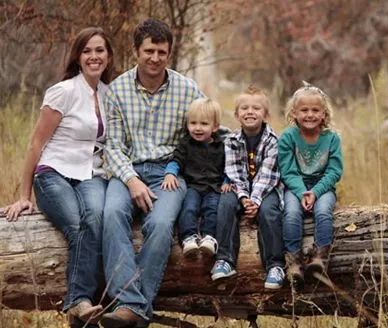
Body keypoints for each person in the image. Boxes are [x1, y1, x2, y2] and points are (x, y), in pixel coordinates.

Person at [4, 27, 114, 327]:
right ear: (78, 57)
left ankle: (86, 312)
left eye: (100, 50)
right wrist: (24, 196)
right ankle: (78, 301)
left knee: (96, 218)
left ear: (108, 56)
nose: (94, 56)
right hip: (53, 173)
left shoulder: (109, 94)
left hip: (91, 174)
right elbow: (36, 144)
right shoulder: (63, 91)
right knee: (77, 225)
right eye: (87, 51)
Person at [100, 18, 203, 328]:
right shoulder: (117, 90)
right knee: (112, 213)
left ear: (169, 54)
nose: (155, 58)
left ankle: (130, 308)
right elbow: (112, 146)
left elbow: (204, 131)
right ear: (136, 51)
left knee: (159, 224)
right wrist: (131, 181)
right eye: (149, 51)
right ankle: (137, 306)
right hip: (126, 170)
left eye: (162, 52)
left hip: (169, 173)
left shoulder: (187, 90)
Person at [210, 86, 286, 290]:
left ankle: (275, 265)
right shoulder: (231, 141)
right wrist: (244, 198)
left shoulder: (273, 141)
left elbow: (269, 174)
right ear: (236, 114)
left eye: (256, 108)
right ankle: (225, 259)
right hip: (240, 186)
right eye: (244, 108)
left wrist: (256, 200)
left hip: (267, 187)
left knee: (270, 211)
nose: (250, 112)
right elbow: (234, 172)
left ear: (265, 114)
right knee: (225, 202)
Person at [278, 81, 343, 290]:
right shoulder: (288, 137)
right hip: (295, 186)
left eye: (315, 110)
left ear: (324, 114)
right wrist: (301, 192)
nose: (310, 115)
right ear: (294, 113)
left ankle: (319, 258)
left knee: (324, 211)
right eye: (304, 110)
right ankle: (293, 262)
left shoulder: (331, 139)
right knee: (290, 213)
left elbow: (334, 171)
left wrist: (315, 192)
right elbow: (287, 171)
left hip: (322, 188)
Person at [162, 97, 231, 258]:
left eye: (204, 124)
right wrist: (170, 173)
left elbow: (229, 166)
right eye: (193, 123)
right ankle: (188, 237)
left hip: (214, 187)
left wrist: (227, 181)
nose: (197, 128)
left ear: (215, 127)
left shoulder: (222, 146)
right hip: (192, 186)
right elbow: (176, 159)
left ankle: (209, 237)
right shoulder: (186, 144)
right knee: (188, 208)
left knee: (212, 209)